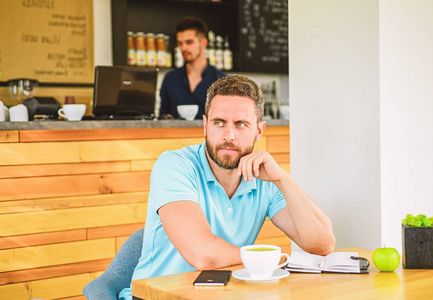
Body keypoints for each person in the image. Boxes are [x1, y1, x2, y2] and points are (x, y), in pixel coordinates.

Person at [119, 75, 335, 299]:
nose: (228, 136)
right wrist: (269, 258)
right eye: (219, 123)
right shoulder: (174, 166)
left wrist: (282, 179)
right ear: (205, 125)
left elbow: (322, 244)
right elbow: (203, 255)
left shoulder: (264, 177)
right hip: (154, 297)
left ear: (259, 131)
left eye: (241, 124)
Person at [159, 16, 226, 120]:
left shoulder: (221, 80)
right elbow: (162, 119)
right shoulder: (170, 79)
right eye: (180, 43)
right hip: (176, 136)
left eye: (189, 42)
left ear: (203, 43)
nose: (183, 48)